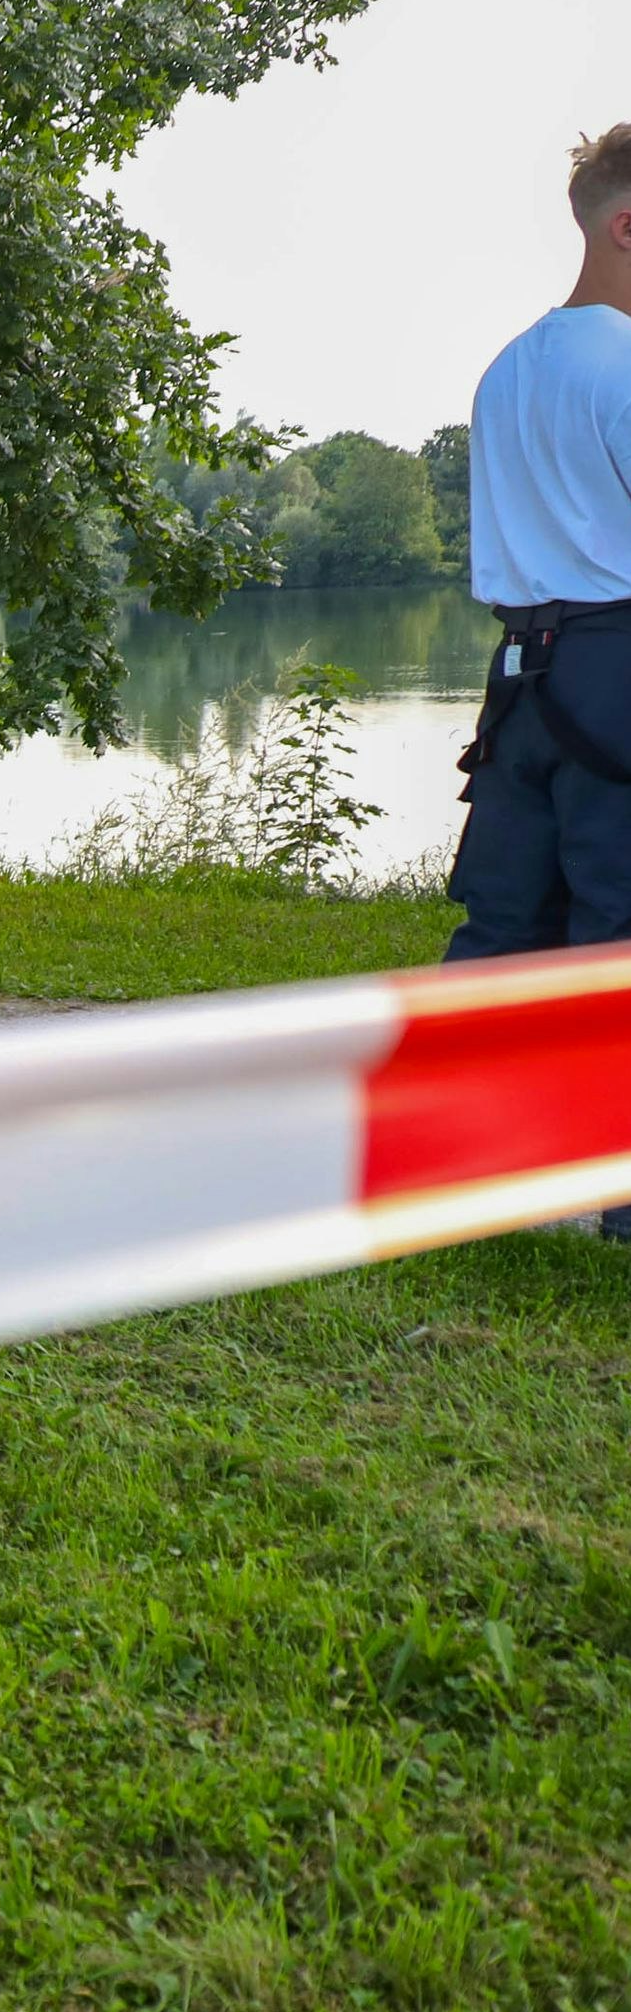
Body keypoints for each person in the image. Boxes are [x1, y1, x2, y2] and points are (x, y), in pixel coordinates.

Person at [451, 122, 631, 1240]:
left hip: (517, 683)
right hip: (616, 669)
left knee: (501, 924)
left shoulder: (504, 367)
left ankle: (460, 1170)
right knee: (617, 927)